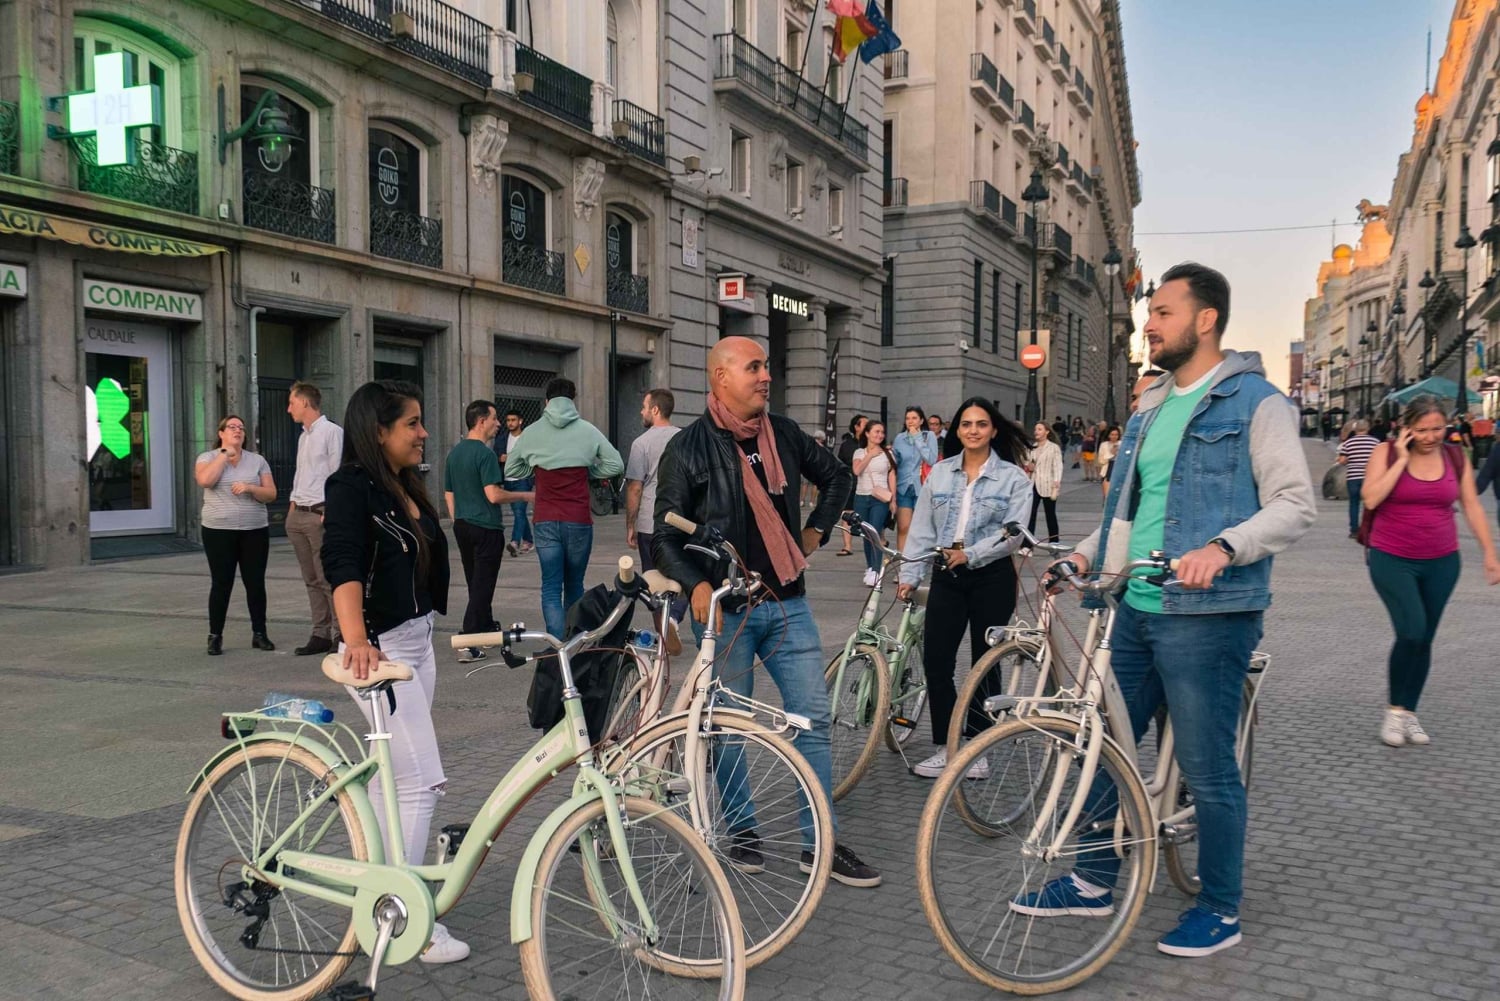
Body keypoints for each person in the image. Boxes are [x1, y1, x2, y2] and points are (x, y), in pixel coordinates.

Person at [1021, 263, 1316, 958]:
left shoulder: (1257, 403)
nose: (1149, 324)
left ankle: (1220, 907)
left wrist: (1224, 545)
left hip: (1207, 616)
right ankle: (1094, 879)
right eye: (1151, 314)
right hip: (1134, 603)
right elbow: (1132, 511)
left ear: (1206, 319)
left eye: (1163, 313)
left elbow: (1295, 504)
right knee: (1103, 746)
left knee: (1209, 768)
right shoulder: (1151, 405)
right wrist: (1087, 556)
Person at [653, 335, 881, 888]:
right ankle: (743, 833)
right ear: (720, 377)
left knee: (812, 720)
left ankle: (817, 841)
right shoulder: (687, 448)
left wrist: (813, 532)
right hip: (727, 613)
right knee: (728, 730)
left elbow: (838, 477)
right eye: (753, 367)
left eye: (766, 365)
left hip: (788, 603)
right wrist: (694, 585)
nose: (765, 376)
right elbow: (663, 534)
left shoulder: (783, 433)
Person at [322, 379, 468, 964]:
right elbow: (343, 563)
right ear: (377, 431)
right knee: (421, 779)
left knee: (392, 779)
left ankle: (375, 895)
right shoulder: (351, 487)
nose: (423, 432)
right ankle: (407, 919)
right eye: (411, 423)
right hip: (380, 651)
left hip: (418, 643)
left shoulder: (407, 485)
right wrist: (357, 641)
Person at [898, 399, 1032, 779]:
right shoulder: (939, 475)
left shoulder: (1013, 478)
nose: (973, 430)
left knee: (982, 664)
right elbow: (922, 530)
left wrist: (970, 554)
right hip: (946, 576)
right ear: (956, 430)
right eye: (967, 424)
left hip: (992, 577)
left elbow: (1016, 533)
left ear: (993, 430)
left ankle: (977, 747)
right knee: (937, 661)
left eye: (982, 424)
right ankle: (947, 744)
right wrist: (910, 576)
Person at [1361, 396, 1500, 747]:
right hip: (1391, 558)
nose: (1430, 436)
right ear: (1406, 428)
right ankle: (1393, 712)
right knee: (1411, 630)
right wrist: (1402, 461)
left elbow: (1471, 504)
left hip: (1442, 561)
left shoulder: (1454, 456)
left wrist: (1489, 553)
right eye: (1421, 430)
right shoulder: (1387, 453)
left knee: (1425, 639)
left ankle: (1409, 712)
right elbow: (1371, 499)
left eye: (1437, 428)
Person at [505, 378, 624, 639]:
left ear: (547, 401)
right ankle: (573, 643)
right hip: (579, 519)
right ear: (573, 399)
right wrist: (590, 470)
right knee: (574, 584)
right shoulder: (587, 430)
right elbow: (616, 465)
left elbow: (511, 470)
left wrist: (535, 467)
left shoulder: (532, 432)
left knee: (550, 586)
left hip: (545, 518)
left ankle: (557, 648)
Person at [445, 400, 533, 663]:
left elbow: (448, 492)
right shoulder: (485, 455)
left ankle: (485, 628)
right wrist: (527, 495)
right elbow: (493, 495)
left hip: (462, 525)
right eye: (494, 419)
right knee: (483, 584)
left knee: (476, 580)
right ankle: (468, 639)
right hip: (486, 527)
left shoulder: (455, 453)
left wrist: (457, 519)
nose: (498, 424)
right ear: (481, 421)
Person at [195, 415, 278, 656]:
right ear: (221, 432)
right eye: (231, 427)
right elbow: (205, 480)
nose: (237, 431)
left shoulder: (257, 461)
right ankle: (215, 635)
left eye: (241, 428)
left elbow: (271, 494)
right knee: (222, 583)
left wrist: (251, 488)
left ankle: (260, 633)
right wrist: (224, 455)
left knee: (255, 583)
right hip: (218, 531)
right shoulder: (207, 458)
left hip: (254, 530)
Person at [285, 382, 344, 656]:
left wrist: (331, 512)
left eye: (292, 403)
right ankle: (320, 632)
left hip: (319, 513)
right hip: (298, 513)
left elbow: (337, 474)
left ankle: (341, 632)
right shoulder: (303, 436)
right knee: (310, 578)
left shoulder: (332, 433)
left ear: (306, 403)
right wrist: (291, 508)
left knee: (326, 576)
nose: (289, 409)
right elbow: (301, 473)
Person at [623, 388, 685, 650]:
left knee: (653, 578)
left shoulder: (641, 443)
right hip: (682, 521)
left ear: (655, 410)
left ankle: (663, 630)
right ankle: (673, 621)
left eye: (644, 406)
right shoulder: (685, 438)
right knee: (683, 575)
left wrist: (630, 524)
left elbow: (635, 487)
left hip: (650, 521)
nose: (641, 411)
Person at [851, 419, 897, 586]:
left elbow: (892, 475)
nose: (880, 435)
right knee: (866, 534)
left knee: (875, 532)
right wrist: (870, 454)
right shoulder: (859, 452)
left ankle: (877, 570)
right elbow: (857, 470)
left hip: (880, 498)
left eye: (882, 432)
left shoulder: (888, 454)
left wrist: (893, 499)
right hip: (861, 497)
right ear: (867, 433)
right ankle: (870, 567)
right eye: (876, 432)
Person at [893, 406, 940, 551]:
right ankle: (903, 565)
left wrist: (917, 438)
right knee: (903, 527)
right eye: (907, 418)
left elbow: (931, 459)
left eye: (914, 418)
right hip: (904, 487)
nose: (910, 421)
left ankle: (919, 563)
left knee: (921, 530)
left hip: (922, 488)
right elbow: (896, 463)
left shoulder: (929, 436)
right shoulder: (900, 438)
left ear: (921, 421)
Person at [496, 409, 534, 556]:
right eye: (508, 420)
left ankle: (514, 541)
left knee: (519, 511)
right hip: (508, 480)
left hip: (523, 480)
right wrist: (500, 458)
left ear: (520, 421)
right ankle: (529, 541)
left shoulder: (527, 438)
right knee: (520, 513)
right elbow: (495, 455)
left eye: (513, 420)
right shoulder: (502, 438)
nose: (510, 423)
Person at [1336, 420, 1380, 539]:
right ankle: (1369, 529)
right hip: (1370, 477)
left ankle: (1354, 530)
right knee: (1370, 504)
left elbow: (1342, 461)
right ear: (1368, 428)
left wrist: (1349, 461)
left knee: (1354, 503)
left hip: (1353, 477)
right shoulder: (1375, 442)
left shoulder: (1348, 443)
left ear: (1355, 430)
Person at [834, 414, 868, 555]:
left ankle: (880, 540)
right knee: (848, 514)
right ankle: (847, 546)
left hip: (869, 485)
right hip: (852, 484)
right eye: (865, 424)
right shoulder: (848, 445)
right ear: (856, 427)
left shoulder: (873, 443)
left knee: (872, 513)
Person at [1026, 421, 1062, 541]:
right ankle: (1027, 544)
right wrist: (1028, 465)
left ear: (1047, 432)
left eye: (1040, 429)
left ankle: (1054, 542)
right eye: (1036, 429)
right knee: (1030, 515)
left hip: (1048, 485)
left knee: (1050, 515)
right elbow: (1027, 462)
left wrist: (1057, 481)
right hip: (1033, 484)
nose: (1036, 431)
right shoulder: (1032, 447)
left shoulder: (1053, 447)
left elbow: (1057, 465)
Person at [1095, 426, 1121, 497]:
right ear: (1109, 435)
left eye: (1116, 435)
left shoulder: (1122, 444)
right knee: (1107, 495)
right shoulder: (1104, 445)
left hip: (1119, 469)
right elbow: (1101, 460)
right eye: (1112, 434)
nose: (1114, 436)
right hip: (1107, 470)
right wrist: (1111, 454)